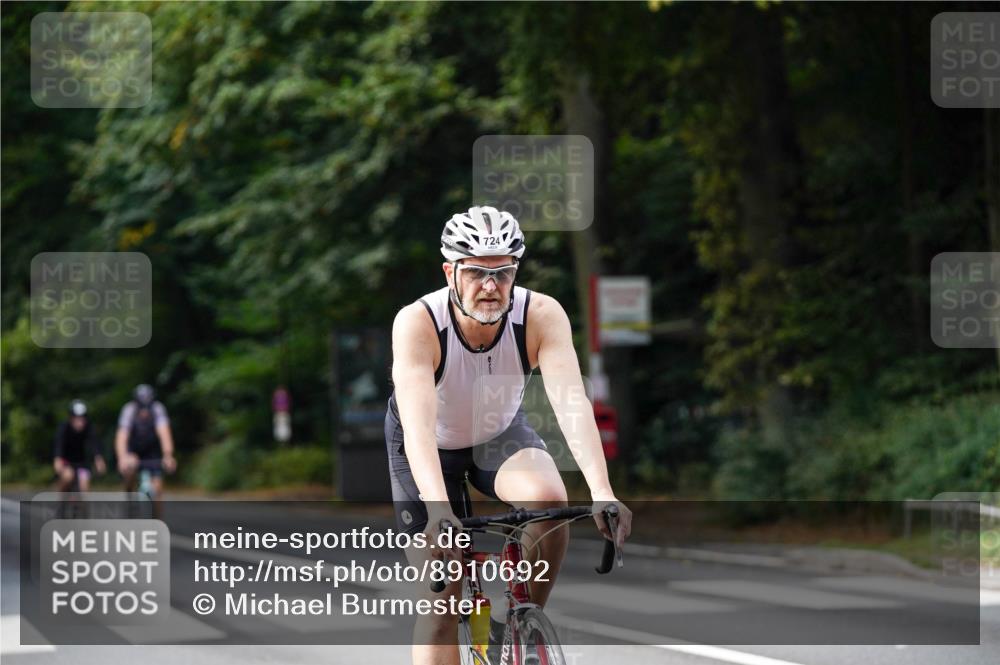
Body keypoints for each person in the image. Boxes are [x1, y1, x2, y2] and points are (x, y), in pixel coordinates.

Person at [386, 205, 633, 665]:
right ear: (450, 272)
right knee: (441, 601)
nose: (490, 286)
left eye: (503, 273)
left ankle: (519, 626)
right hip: (426, 446)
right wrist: (439, 511)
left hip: (495, 434)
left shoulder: (539, 314)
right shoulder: (418, 323)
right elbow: (419, 428)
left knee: (547, 496)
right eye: (477, 272)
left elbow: (572, 404)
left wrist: (602, 491)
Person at [115, 384, 177, 519]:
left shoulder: (158, 409)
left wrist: (168, 455)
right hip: (133, 451)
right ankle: (130, 499)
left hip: (152, 452)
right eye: (142, 408)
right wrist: (122, 457)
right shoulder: (129, 410)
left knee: (158, 489)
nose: (144, 412)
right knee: (129, 470)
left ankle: (157, 521)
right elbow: (122, 437)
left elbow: (164, 433)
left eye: (147, 408)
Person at [53, 399, 106, 492]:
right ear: (71, 418)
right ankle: (62, 499)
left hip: (82, 462)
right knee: (68, 476)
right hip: (66, 461)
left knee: (84, 487)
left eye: (82, 418)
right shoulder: (64, 428)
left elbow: (94, 443)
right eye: (77, 418)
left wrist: (98, 459)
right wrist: (57, 459)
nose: (80, 422)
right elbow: (59, 444)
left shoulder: (89, 428)